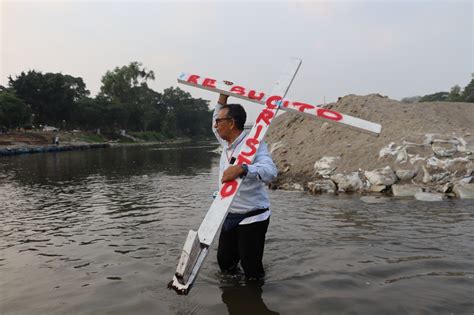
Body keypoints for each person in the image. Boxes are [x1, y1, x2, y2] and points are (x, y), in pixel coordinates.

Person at [213, 93, 277, 280]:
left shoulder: (254, 146)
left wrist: (243, 168)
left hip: (252, 215)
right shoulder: (225, 143)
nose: (216, 126)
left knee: (252, 271)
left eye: (219, 122)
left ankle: (252, 301)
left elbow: (270, 171)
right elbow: (215, 120)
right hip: (229, 212)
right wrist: (223, 96)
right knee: (225, 264)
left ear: (231, 123)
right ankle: (235, 296)